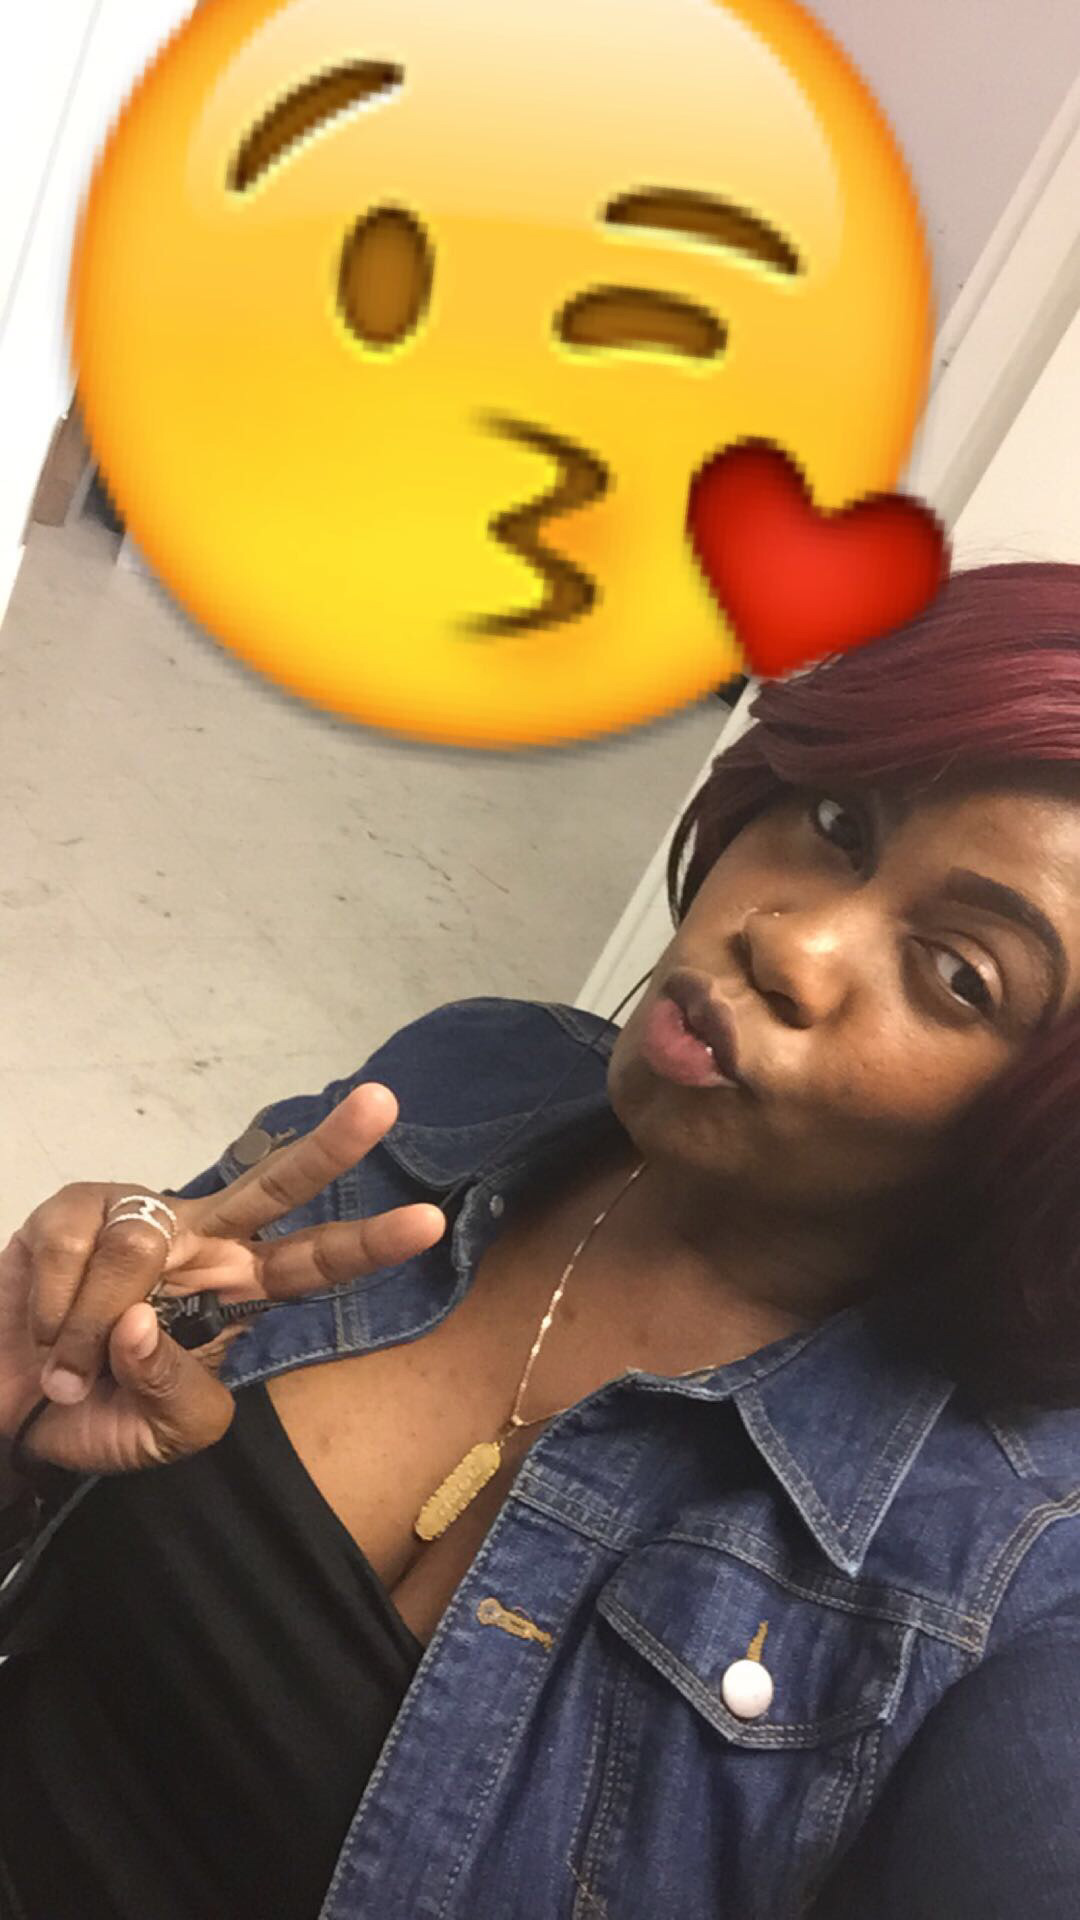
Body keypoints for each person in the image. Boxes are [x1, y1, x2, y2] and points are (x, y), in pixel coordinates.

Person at [1, 561, 1080, 1920]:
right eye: (834, 821)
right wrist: (32, 1372)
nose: (788, 940)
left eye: (960, 974)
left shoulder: (1013, 1584)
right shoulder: (466, 1081)